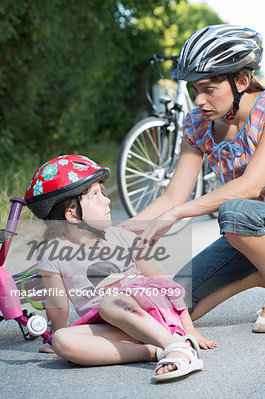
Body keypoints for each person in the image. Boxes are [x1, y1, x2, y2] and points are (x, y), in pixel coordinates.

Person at [122, 24, 265, 333]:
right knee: (174, 305)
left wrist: (176, 214)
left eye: (208, 89)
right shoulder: (198, 125)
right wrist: (114, 235)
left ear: (241, 81)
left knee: (233, 209)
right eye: (194, 90)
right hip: (244, 234)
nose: (199, 100)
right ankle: (259, 271)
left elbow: (250, 186)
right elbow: (173, 196)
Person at [24, 155, 216, 383]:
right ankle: (158, 351)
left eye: (103, 193)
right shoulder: (51, 252)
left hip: (149, 313)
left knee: (110, 301)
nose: (106, 201)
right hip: (113, 326)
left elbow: (163, 281)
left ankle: (175, 344)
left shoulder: (123, 237)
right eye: (95, 195)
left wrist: (188, 327)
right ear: (72, 215)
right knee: (62, 341)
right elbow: (57, 305)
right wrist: (54, 335)